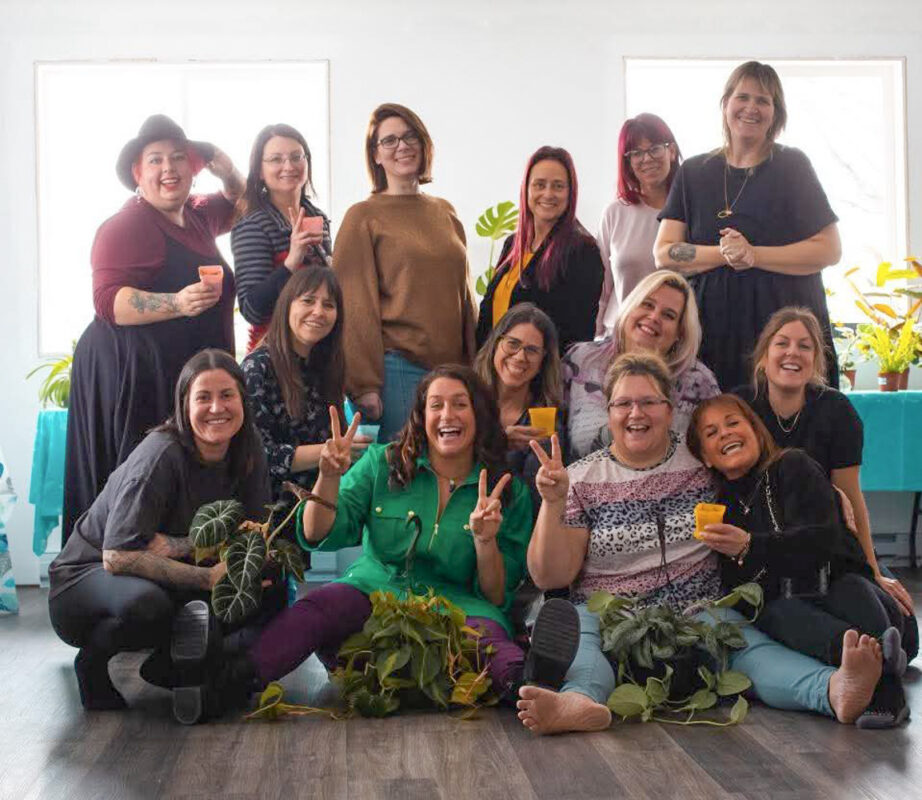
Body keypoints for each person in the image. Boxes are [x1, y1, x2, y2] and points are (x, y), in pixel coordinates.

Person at [517, 351, 884, 735]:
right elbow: (550, 576)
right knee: (582, 633)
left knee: (751, 650)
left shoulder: (704, 463)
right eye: (623, 403)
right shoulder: (581, 478)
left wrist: (827, 495)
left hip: (699, 611)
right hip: (610, 615)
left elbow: (762, 479)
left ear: (669, 407)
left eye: (648, 402)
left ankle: (831, 689)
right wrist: (554, 502)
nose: (635, 413)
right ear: (609, 412)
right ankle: (580, 702)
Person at [230, 365, 538, 702]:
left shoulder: (508, 492)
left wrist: (485, 541)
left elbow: (495, 595)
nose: (447, 415)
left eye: (460, 404)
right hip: (375, 592)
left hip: (459, 607)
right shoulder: (382, 463)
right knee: (316, 610)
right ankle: (229, 682)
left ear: (479, 414)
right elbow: (317, 532)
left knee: (492, 642)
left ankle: (533, 687)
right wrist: (328, 476)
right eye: (435, 405)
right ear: (421, 416)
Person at [49, 350, 275, 712]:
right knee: (148, 604)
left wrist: (177, 545)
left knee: (268, 585)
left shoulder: (249, 449)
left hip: (168, 573)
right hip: (85, 579)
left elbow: (253, 532)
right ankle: (91, 662)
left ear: (243, 400)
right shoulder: (161, 454)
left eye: (227, 395)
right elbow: (118, 555)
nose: (217, 407)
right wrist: (205, 577)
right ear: (184, 404)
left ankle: (168, 666)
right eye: (203, 397)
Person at [63, 115, 245, 540]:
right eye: (157, 160)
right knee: (140, 483)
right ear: (137, 173)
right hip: (134, 374)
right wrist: (178, 302)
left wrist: (221, 162)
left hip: (174, 372)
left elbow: (241, 201)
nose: (170, 169)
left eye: (180, 158)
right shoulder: (126, 226)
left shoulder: (196, 215)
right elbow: (108, 301)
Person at [688, 393, 910, 726]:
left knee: (841, 585)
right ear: (705, 458)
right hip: (807, 616)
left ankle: (884, 666)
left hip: (864, 601)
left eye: (734, 423)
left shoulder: (793, 466)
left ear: (755, 429)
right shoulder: (722, 509)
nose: (726, 433)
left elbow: (826, 545)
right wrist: (740, 556)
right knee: (771, 610)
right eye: (712, 432)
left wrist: (752, 546)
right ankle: (871, 661)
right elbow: (745, 589)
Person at [654, 60, 841, 391]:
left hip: (783, 331)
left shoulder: (792, 166)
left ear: (776, 113)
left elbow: (829, 249)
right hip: (714, 331)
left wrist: (753, 254)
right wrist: (727, 254)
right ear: (726, 104)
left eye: (763, 100)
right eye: (743, 97)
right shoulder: (694, 172)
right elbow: (665, 253)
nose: (751, 108)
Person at [733, 307, 917, 633]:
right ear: (763, 356)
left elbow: (851, 498)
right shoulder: (739, 407)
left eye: (805, 346)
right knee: (801, 611)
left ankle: (874, 642)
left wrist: (873, 570)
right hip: (769, 547)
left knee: (905, 628)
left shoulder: (836, 410)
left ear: (817, 361)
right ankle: (851, 647)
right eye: (782, 343)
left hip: (830, 545)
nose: (793, 352)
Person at [333, 103, 477, 441]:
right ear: (376, 155)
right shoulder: (363, 217)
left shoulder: (444, 211)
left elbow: (464, 296)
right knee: (405, 478)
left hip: (452, 371)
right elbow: (354, 305)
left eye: (410, 136)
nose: (402, 146)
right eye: (390, 140)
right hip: (398, 370)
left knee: (446, 475)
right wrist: (364, 383)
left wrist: (473, 367)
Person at [242, 265, 369, 542]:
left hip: (311, 510)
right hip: (264, 519)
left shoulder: (325, 367)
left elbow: (336, 450)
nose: (319, 312)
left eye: (329, 304)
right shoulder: (257, 368)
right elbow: (258, 457)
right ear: (287, 305)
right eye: (308, 300)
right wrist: (329, 452)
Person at [564, 270, 718, 459]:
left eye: (668, 315)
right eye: (647, 304)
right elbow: (549, 428)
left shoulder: (699, 380)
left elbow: (715, 447)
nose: (654, 317)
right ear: (630, 307)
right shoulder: (583, 358)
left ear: (680, 333)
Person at [476, 146, 604, 353]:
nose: (548, 194)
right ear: (526, 189)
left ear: (570, 193)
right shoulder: (513, 244)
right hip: (496, 375)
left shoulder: (582, 251)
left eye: (558, 186)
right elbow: (487, 318)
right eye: (539, 185)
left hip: (540, 379)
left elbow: (576, 336)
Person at [231, 123, 333, 352]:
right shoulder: (252, 226)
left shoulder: (318, 218)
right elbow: (253, 310)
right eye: (276, 159)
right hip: (275, 354)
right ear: (259, 170)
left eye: (297, 156)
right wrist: (292, 260)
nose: (289, 166)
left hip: (321, 351)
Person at [473, 303, 565, 515]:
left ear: (543, 360)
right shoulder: (465, 400)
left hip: (511, 526)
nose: (520, 357)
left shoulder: (544, 418)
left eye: (532, 350)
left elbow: (538, 499)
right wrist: (499, 440)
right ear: (496, 343)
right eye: (512, 343)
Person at [596, 114, 682, 337]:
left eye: (654, 148)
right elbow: (601, 288)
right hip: (618, 336)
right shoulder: (615, 213)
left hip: (671, 341)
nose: (646, 159)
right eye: (636, 153)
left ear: (671, 151)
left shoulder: (692, 212)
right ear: (628, 162)